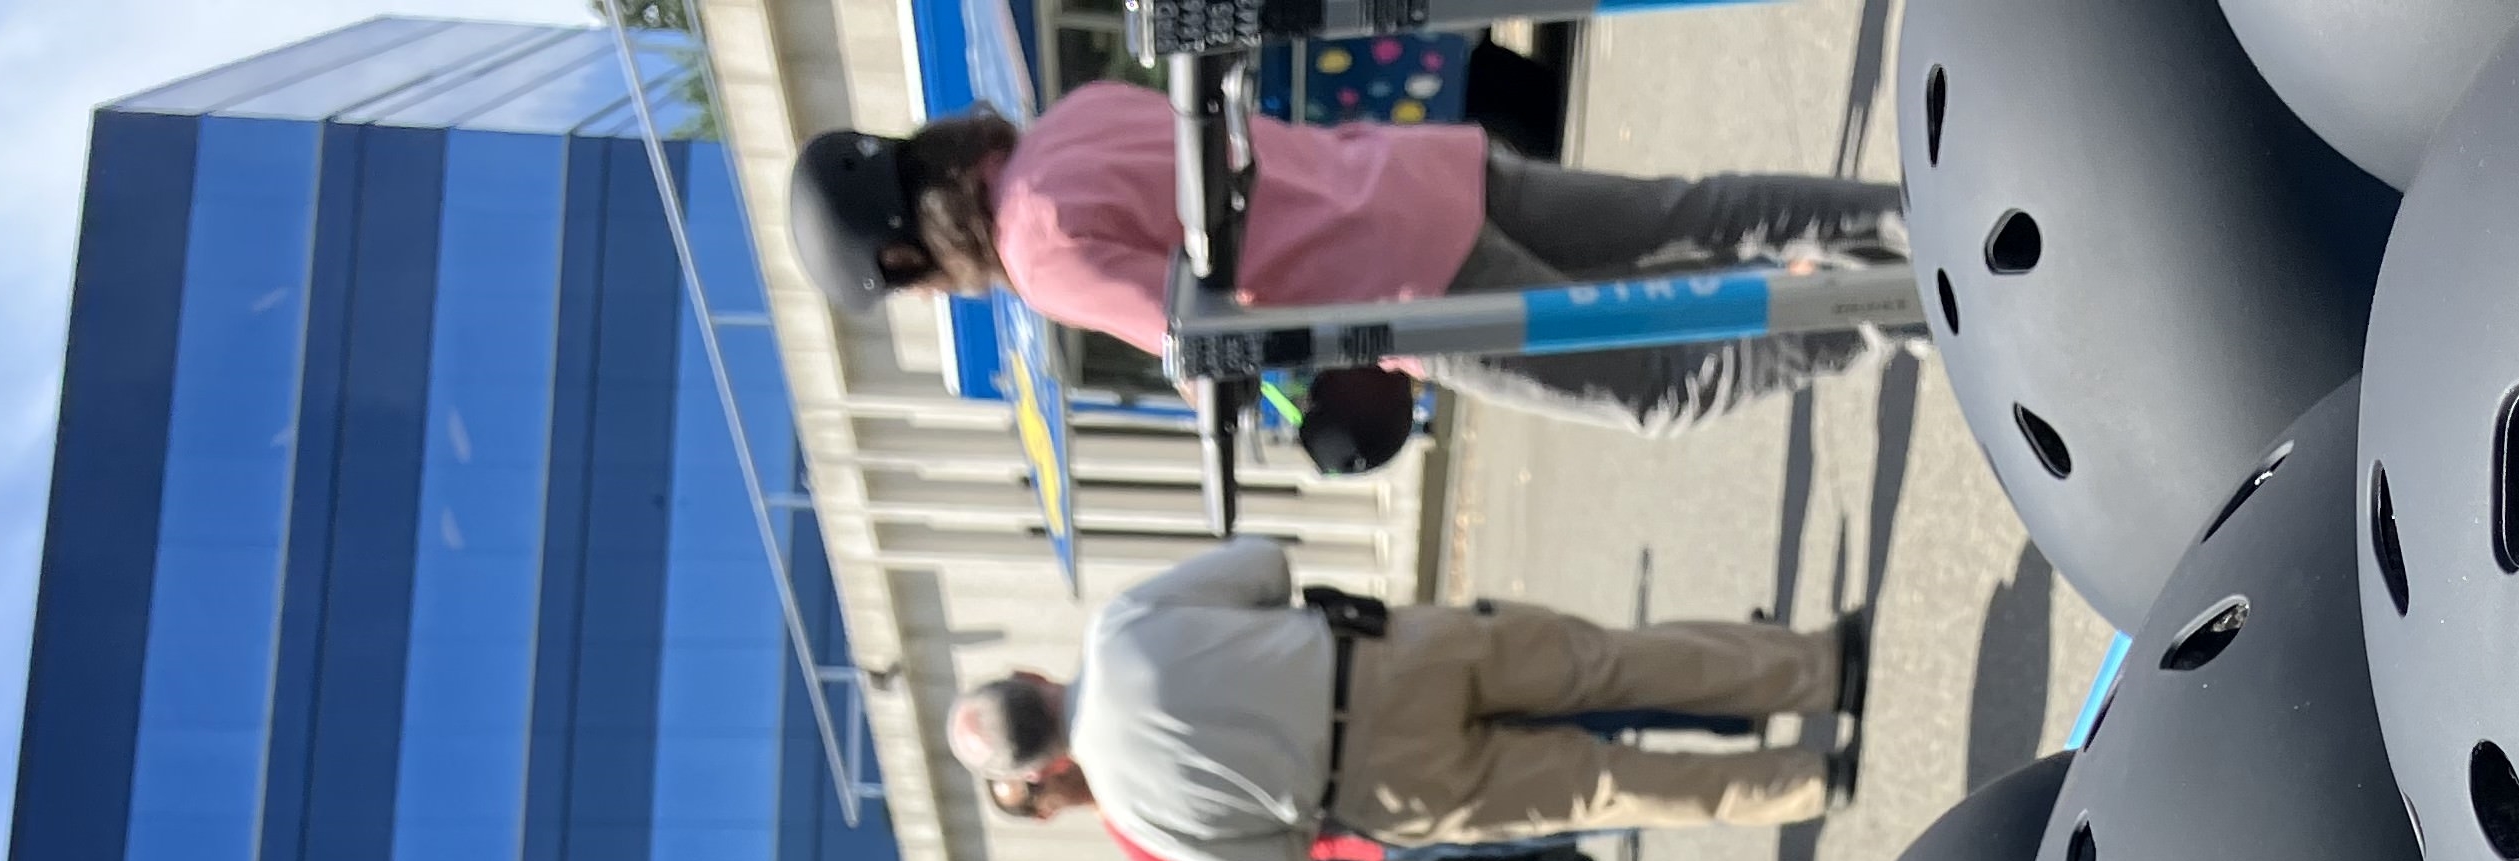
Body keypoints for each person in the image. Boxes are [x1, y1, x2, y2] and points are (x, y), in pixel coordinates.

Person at [788, 89, 1905, 436]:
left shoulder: (1040, 255)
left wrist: (1236, 391)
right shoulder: (1064, 118)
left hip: (1426, 293)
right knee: (1697, 213)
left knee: (1664, 383)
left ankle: (1894, 306)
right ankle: (1912, 221)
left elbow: (1205, 333)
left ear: (909, 250)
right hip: (1426, 172)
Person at [943, 542, 1865, 861]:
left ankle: (1803, 785)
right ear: (1030, 674)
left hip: (1377, 787)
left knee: (1604, 786)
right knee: (1610, 664)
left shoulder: (1134, 817)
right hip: (1382, 657)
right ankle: (1816, 668)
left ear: (1037, 772)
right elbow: (1263, 563)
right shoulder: (1122, 629)